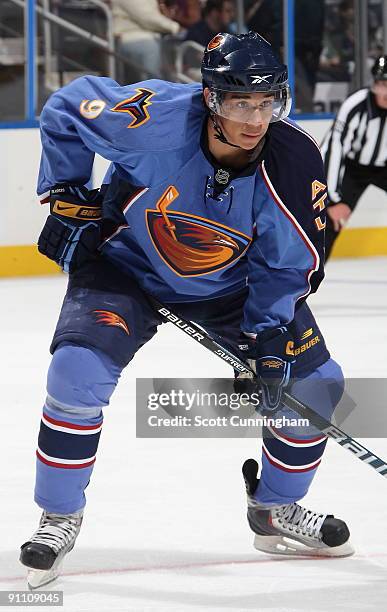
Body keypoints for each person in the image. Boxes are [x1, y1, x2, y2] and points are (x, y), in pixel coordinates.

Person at [20, 31, 353, 589]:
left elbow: (286, 262)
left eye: (268, 101)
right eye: (240, 102)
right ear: (209, 98)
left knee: (320, 387)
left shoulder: (293, 160)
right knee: (74, 375)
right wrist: (67, 194)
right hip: (122, 266)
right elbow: (67, 105)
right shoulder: (151, 121)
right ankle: (58, 516)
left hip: (231, 288)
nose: (255, 119)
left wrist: (268, 337)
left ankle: (274, 511)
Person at [321, 54, 387, 260]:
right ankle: (310, 276)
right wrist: (333, 200)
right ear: (374, 85)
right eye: (384, 84)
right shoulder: (355, 105)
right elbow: (334, 149)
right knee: (329, 221)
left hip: (384, 167)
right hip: (352, 168)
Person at [111, 0, 180, 82]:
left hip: (151, 39)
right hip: (135, 39)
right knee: (151, 82)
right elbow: (146, 17)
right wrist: (175, 28)